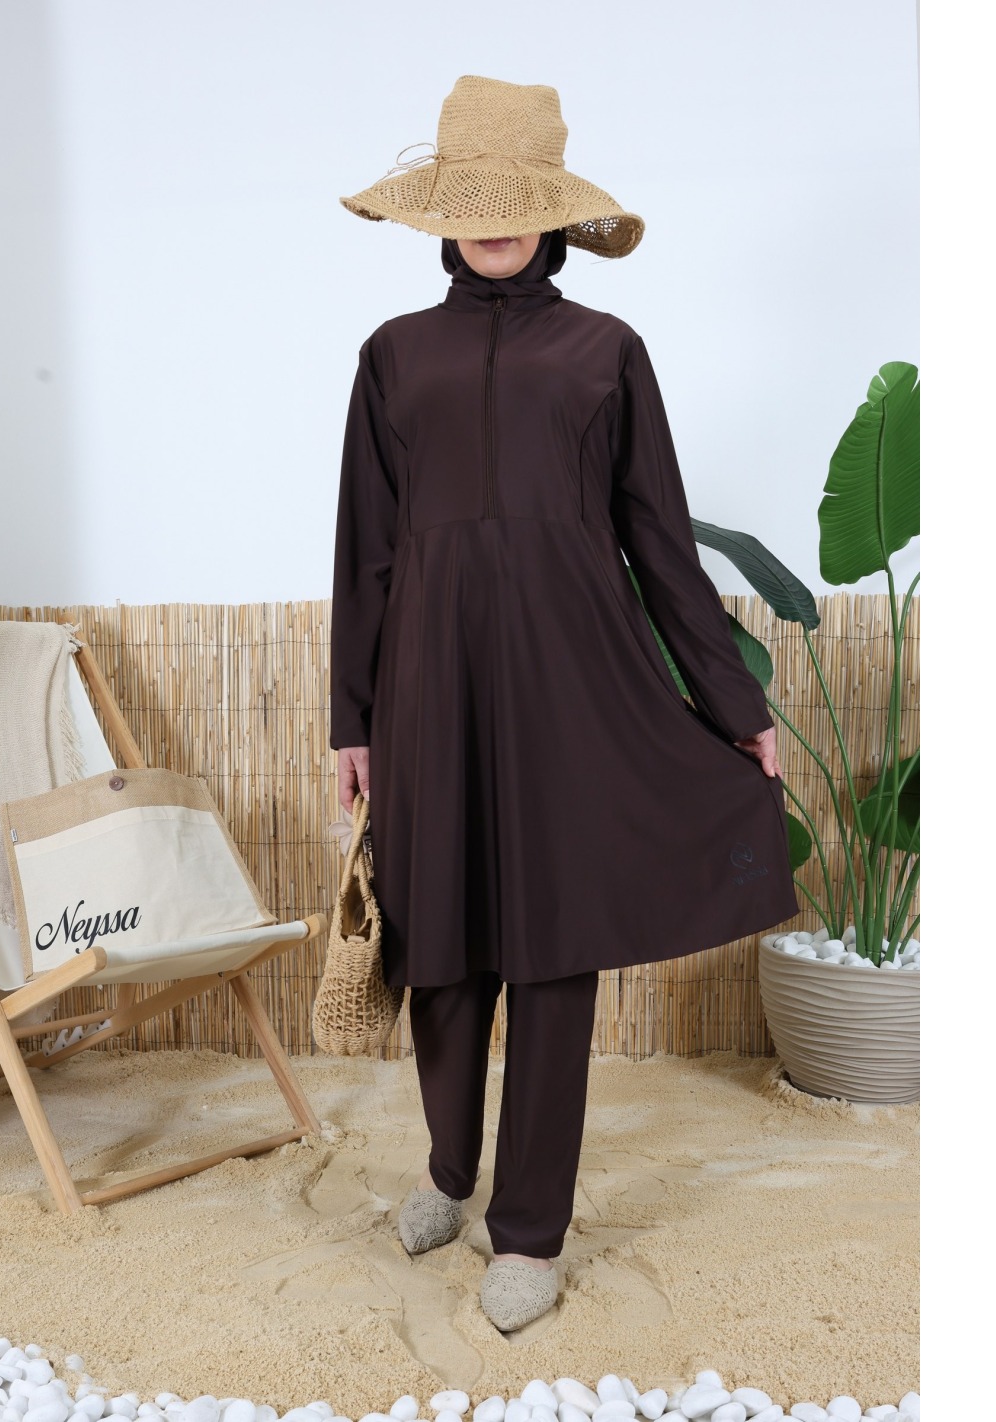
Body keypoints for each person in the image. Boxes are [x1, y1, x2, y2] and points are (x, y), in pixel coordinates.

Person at [329, 75, 798, 1332]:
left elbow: (659, 542)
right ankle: (448, 1171)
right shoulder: (392, 354)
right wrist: (351, 718)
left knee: (550, 948)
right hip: (428, 686)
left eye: (516, 197)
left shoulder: (606, 352)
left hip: (574, 687)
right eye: (473, 198)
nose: (494, 219)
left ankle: (528, 1230)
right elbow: (363, 550)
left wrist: (734, 703)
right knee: (436, 939)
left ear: (551, 213)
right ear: (443, 213)